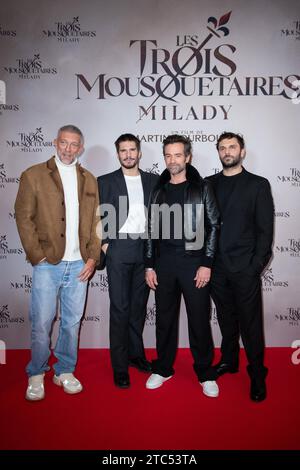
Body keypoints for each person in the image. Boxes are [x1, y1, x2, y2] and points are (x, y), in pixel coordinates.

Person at [15, 125, 101, 401]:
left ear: (81, 148)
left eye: (74, 144)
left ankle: (64, 370)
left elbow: (98, 221)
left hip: (79, 265)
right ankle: (36, 372)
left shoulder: (89, 179)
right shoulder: (34, 175)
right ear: (55, 143)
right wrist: (37, 255)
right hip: (47, 263)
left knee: (71, 323)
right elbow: (23, 217)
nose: (68, 149)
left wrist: (92, 257)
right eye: (64, 143)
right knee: (41, 323)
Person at [145, 134, 220, 397]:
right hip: (164, 263)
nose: (172, 160)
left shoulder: (202, 187)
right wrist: (149, 265)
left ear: (187, 157)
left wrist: (207, 263)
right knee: (164, 319)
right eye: (168, 155)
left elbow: (213, 226)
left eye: (178, 155)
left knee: (199, 320)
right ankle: (163, 368)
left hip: (193, 263)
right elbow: (150, 229)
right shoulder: (158, 188)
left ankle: (205, 372)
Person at [207, 131, 274, 402]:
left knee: (251, 324)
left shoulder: (257, 184)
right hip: (216, 268)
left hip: (245, 267)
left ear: (242, 151)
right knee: (225, 318)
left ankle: (257, 373)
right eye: (222, 148)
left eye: (232, 147)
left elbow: (265, 230)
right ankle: (230, 360)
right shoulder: (208, 183)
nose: (227, 152)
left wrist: (255, 265)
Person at [97, 134, 158, 388]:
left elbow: (159, 218)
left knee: (138, 309)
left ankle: (136, 356)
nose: (129, 154)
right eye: (124, 150)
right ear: (118, 154)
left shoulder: (154, 181)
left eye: (133, 149)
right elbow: (96, 216)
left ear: (140, 152)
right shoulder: (105, 181)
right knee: (120, 309)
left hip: (144, 250)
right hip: (119, 248)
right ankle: (120, 367)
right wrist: (105, 244)